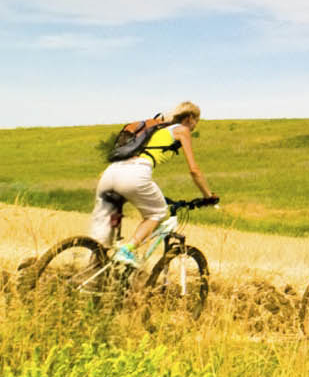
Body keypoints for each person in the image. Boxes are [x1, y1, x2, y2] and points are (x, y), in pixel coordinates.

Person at [90, 101, 216, 265]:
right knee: (157, 213)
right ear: (190, 117)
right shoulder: (182, 130)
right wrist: (208, 196)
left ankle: (92, 272)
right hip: (135, 173)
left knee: (103, 234)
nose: (194, 127)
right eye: (196, 122)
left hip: (111, 173)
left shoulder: (154, 130)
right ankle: (127, 250)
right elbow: (194, 170)